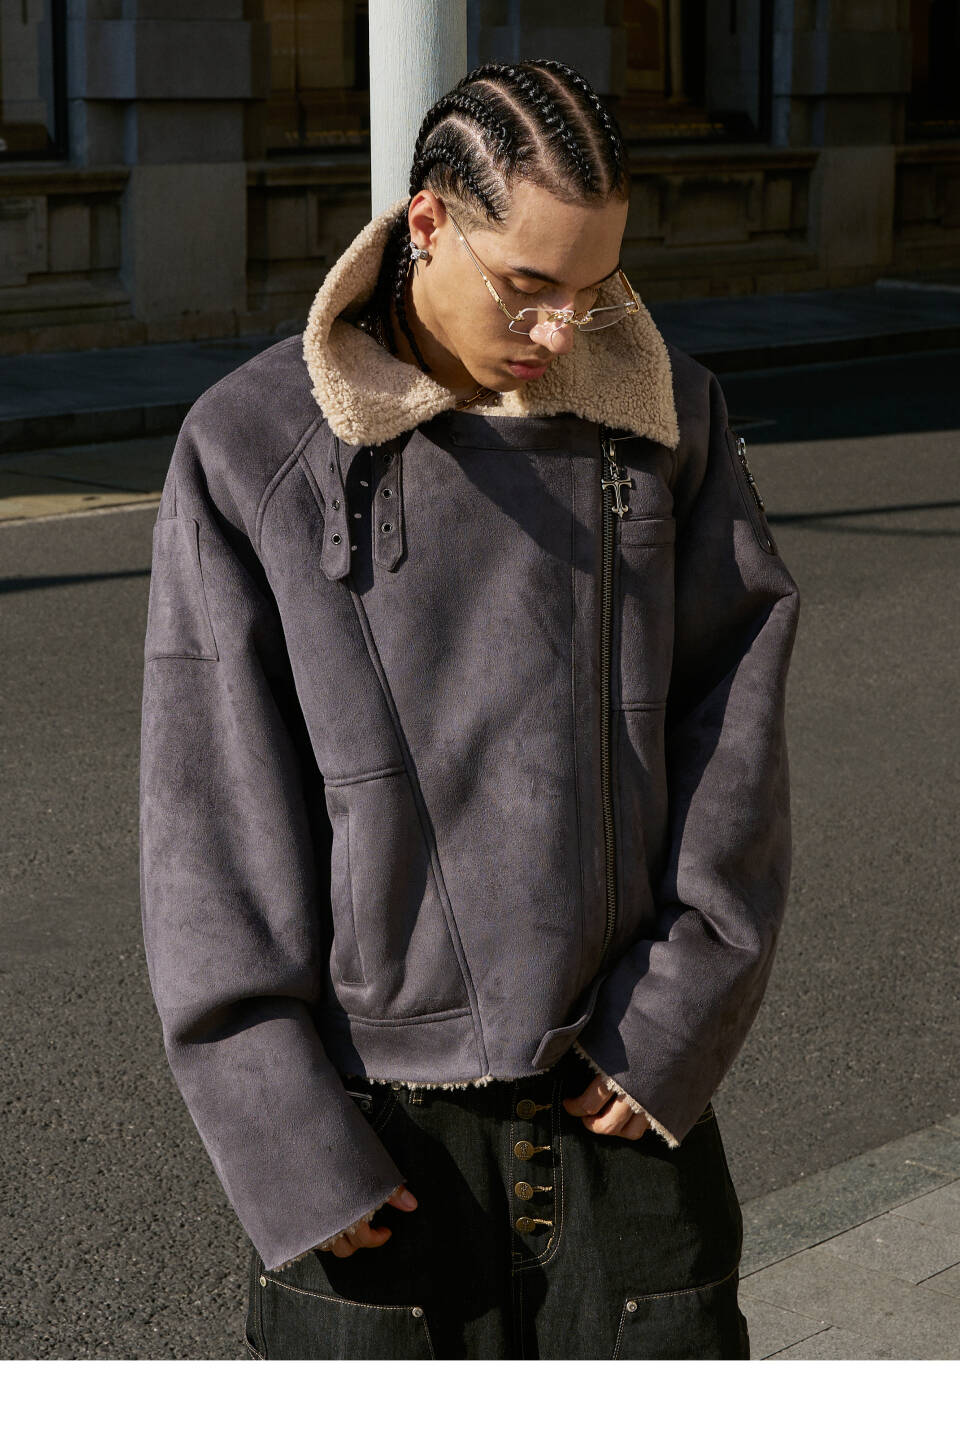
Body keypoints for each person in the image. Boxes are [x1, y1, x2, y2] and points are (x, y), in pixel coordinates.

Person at [139, 58, 800, 1360]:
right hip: (372, 1137)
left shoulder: (665, 418)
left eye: (596, 289)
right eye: (530, 286)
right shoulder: (252, 446)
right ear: (430, 222)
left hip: (616, 1107)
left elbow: (737, 722)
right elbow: (205, 819)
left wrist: (675, 1018)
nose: (563, 332)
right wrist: (286, 1140)